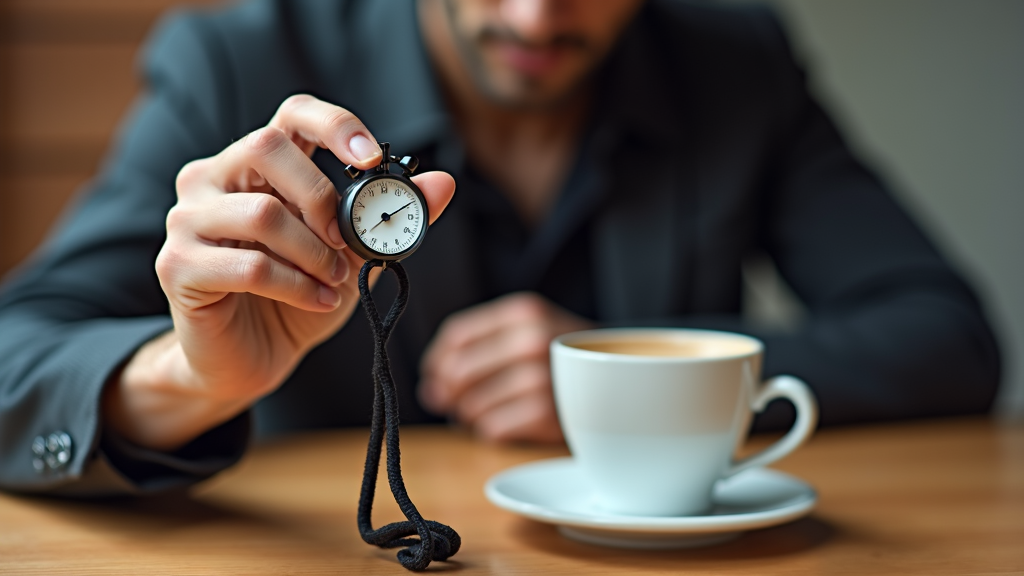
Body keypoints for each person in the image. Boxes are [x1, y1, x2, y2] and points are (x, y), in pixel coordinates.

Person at [0, 0, 1001, 495]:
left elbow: (945, 334)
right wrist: (190, 377)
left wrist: (634, 377)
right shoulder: (244, 62)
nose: (534, 17)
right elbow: (15, 360)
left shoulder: (734, 63)